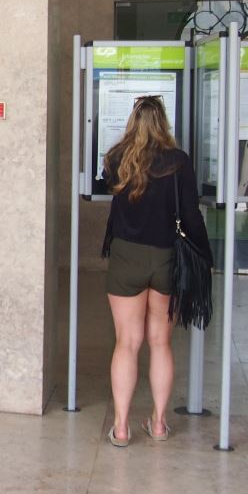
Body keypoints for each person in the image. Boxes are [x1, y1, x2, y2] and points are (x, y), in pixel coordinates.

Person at [100, 96, 209, 448]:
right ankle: (159, 424)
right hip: (166, 257)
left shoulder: (117, 158)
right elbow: (191, 215)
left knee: (127, 343)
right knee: (160, 342)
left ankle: (121, 428)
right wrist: (206, 255)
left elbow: (107, 186)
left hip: (126, 257)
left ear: (133, 121)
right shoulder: (179, 161)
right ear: (163, 123)